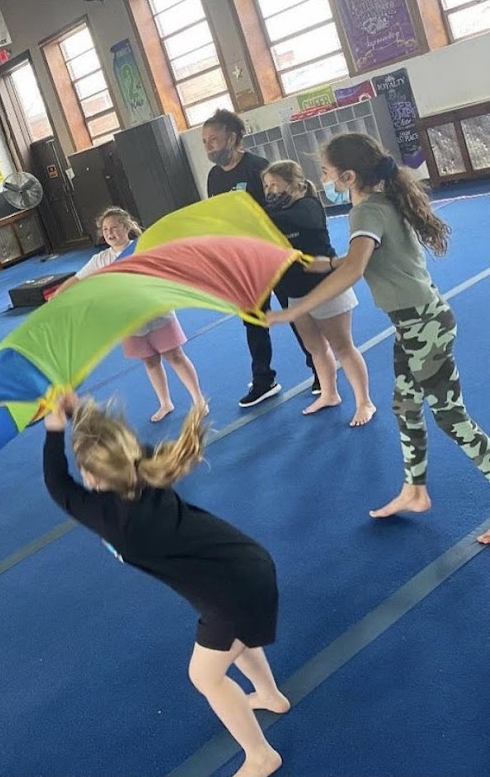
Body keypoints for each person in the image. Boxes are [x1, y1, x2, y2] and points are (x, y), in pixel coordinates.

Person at [42, 394, 287, 777]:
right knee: (235, 643)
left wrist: (55, 428)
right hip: (243, 564)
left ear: (92, 475)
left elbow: (58, 485)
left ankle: (260, 756)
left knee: (204, 676)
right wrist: (74, 416)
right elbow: (103, 449)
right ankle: (270, 695)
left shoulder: (114, 521)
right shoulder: (142, 467)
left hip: (233, 591)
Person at [268, 133, 490, 541]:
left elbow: (354, 271)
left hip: (423, 323)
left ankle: (424, 487)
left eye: (329, 171)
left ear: (349, 176)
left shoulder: (366, 211)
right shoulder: (382, 203)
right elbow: (365, 259)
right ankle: (415, 490)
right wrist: (331, 261)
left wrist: (295, 310)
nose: (325, 177)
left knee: (450, 417)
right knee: (405, 406)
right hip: (415, 324)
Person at [202, 109, 317, 407]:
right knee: (253, 319)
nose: (209, 146)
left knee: (292, 313)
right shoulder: (214, 177)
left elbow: (280, 206)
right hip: (244, 261)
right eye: (205, 142)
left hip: (273, 254)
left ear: (233, 137)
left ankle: (318, 367)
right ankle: (264, 379)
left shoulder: (257, 168)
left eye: (214, 139)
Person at [57, 207, 206, 423]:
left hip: (156, 312)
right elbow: (78, 279)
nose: (109, 233)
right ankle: (165, 402)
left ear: (126, 228)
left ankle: (198, 399)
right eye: (105, 229)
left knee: (174, 355)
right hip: (129, 321)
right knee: (150, 361)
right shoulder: (101, 259)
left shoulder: (142, 247)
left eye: (114, 228)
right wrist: (59, 293)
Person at [262, 161, 376, 426]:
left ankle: (364, 402)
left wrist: (254, 217)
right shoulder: (269, 215)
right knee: (314, 348)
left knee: (343, 347)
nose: (268, 191)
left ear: (295, 184)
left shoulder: (309, 206)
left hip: (326, 287)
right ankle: (329, 393)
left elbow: (292, 220)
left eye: (273, 185)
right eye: (265, 186)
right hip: (295, 291)